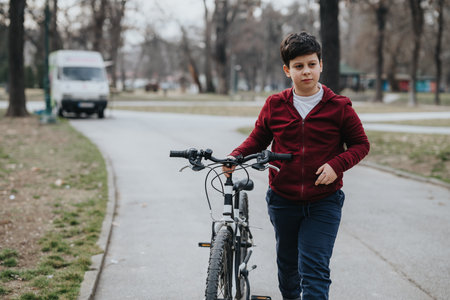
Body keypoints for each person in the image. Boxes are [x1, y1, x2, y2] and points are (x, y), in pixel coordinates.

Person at [223, 32, 370, 300]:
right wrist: (236, 155)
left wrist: (336, 165)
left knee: (314, 270)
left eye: (312, 64)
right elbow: (258, 139)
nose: (306, 72)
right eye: (299, 66)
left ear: (321, 65)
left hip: (324, 201)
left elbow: (361, 144)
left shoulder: (339, 107)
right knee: (288, 267)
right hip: (283, 200)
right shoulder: (275, 105)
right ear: (287, 70)